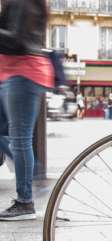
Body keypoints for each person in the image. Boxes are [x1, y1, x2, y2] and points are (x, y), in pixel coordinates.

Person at [0, 0, 53, 220]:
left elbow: (15, 37)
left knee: (20, 138)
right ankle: (36, 174)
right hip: (12, 72)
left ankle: (25, 202)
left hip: (24, 73)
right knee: (15, 135)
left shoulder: (24, 2)